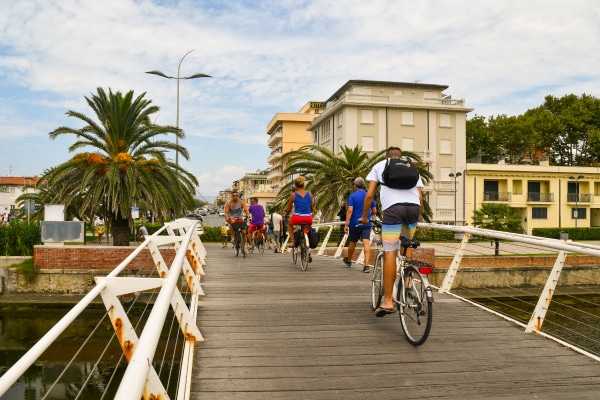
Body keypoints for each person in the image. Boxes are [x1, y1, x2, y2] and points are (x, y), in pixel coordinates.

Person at [359, 146, 424, 317]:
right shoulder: (410, 166)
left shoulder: (380, 166)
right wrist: (417, 215)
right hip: (413, 209)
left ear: (387, 157)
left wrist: (365, 217)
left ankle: (388, 301)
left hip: (393, 210)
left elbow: (369, 195)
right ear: (400, 158)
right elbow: (420, 195)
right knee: (407, 242)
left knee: (390, 252)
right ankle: (408, 279)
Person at [343, 177, 377, 273]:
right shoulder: (368, 195)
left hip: (354, 223)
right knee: (366, 242)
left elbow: (350, 210)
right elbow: (374, 210)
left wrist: (346, 224)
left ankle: (349, 261)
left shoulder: (352, 196)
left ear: (355, 185)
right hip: (366, 223)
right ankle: (366, 266)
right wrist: (368, 216)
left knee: (352, 242)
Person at [283, 176, 316, 249]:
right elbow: (311, 207)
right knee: (307, 228)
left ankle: (293, 242)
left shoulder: (293, 194)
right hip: (308, 218)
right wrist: (312, 211)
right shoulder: (309, 194)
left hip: (297, 218)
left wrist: (285, 214)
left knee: (289, 223)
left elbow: (288, 209)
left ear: (295, 186)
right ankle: (308, 246)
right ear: (304, 185)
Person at [224, 190, 251, 254]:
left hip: (239, 218)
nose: (235, 197)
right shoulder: (228, 203)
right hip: (232, 218)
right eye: (234, 196)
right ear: (232, 196)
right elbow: (226, 212)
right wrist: (227, 217)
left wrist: (248, 214)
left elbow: (246, 209)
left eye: (236, 195)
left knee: (244, 232)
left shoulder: (241, 202)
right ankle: (233, 236)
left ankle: (244, 247)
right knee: (232, 221)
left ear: (238, 196)